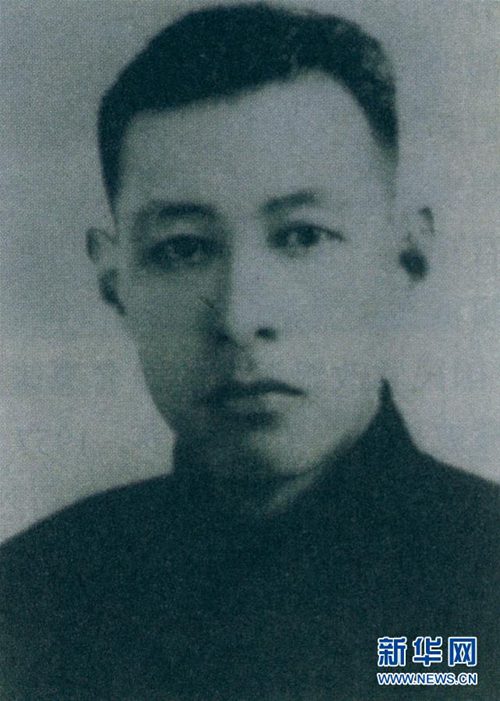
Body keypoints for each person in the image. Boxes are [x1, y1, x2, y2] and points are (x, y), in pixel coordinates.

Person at [0, 4, 498, 699]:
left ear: (405, 255)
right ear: (115, 282)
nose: (239, 316)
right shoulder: (29, 599)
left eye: (303, 236)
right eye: (183, 248)